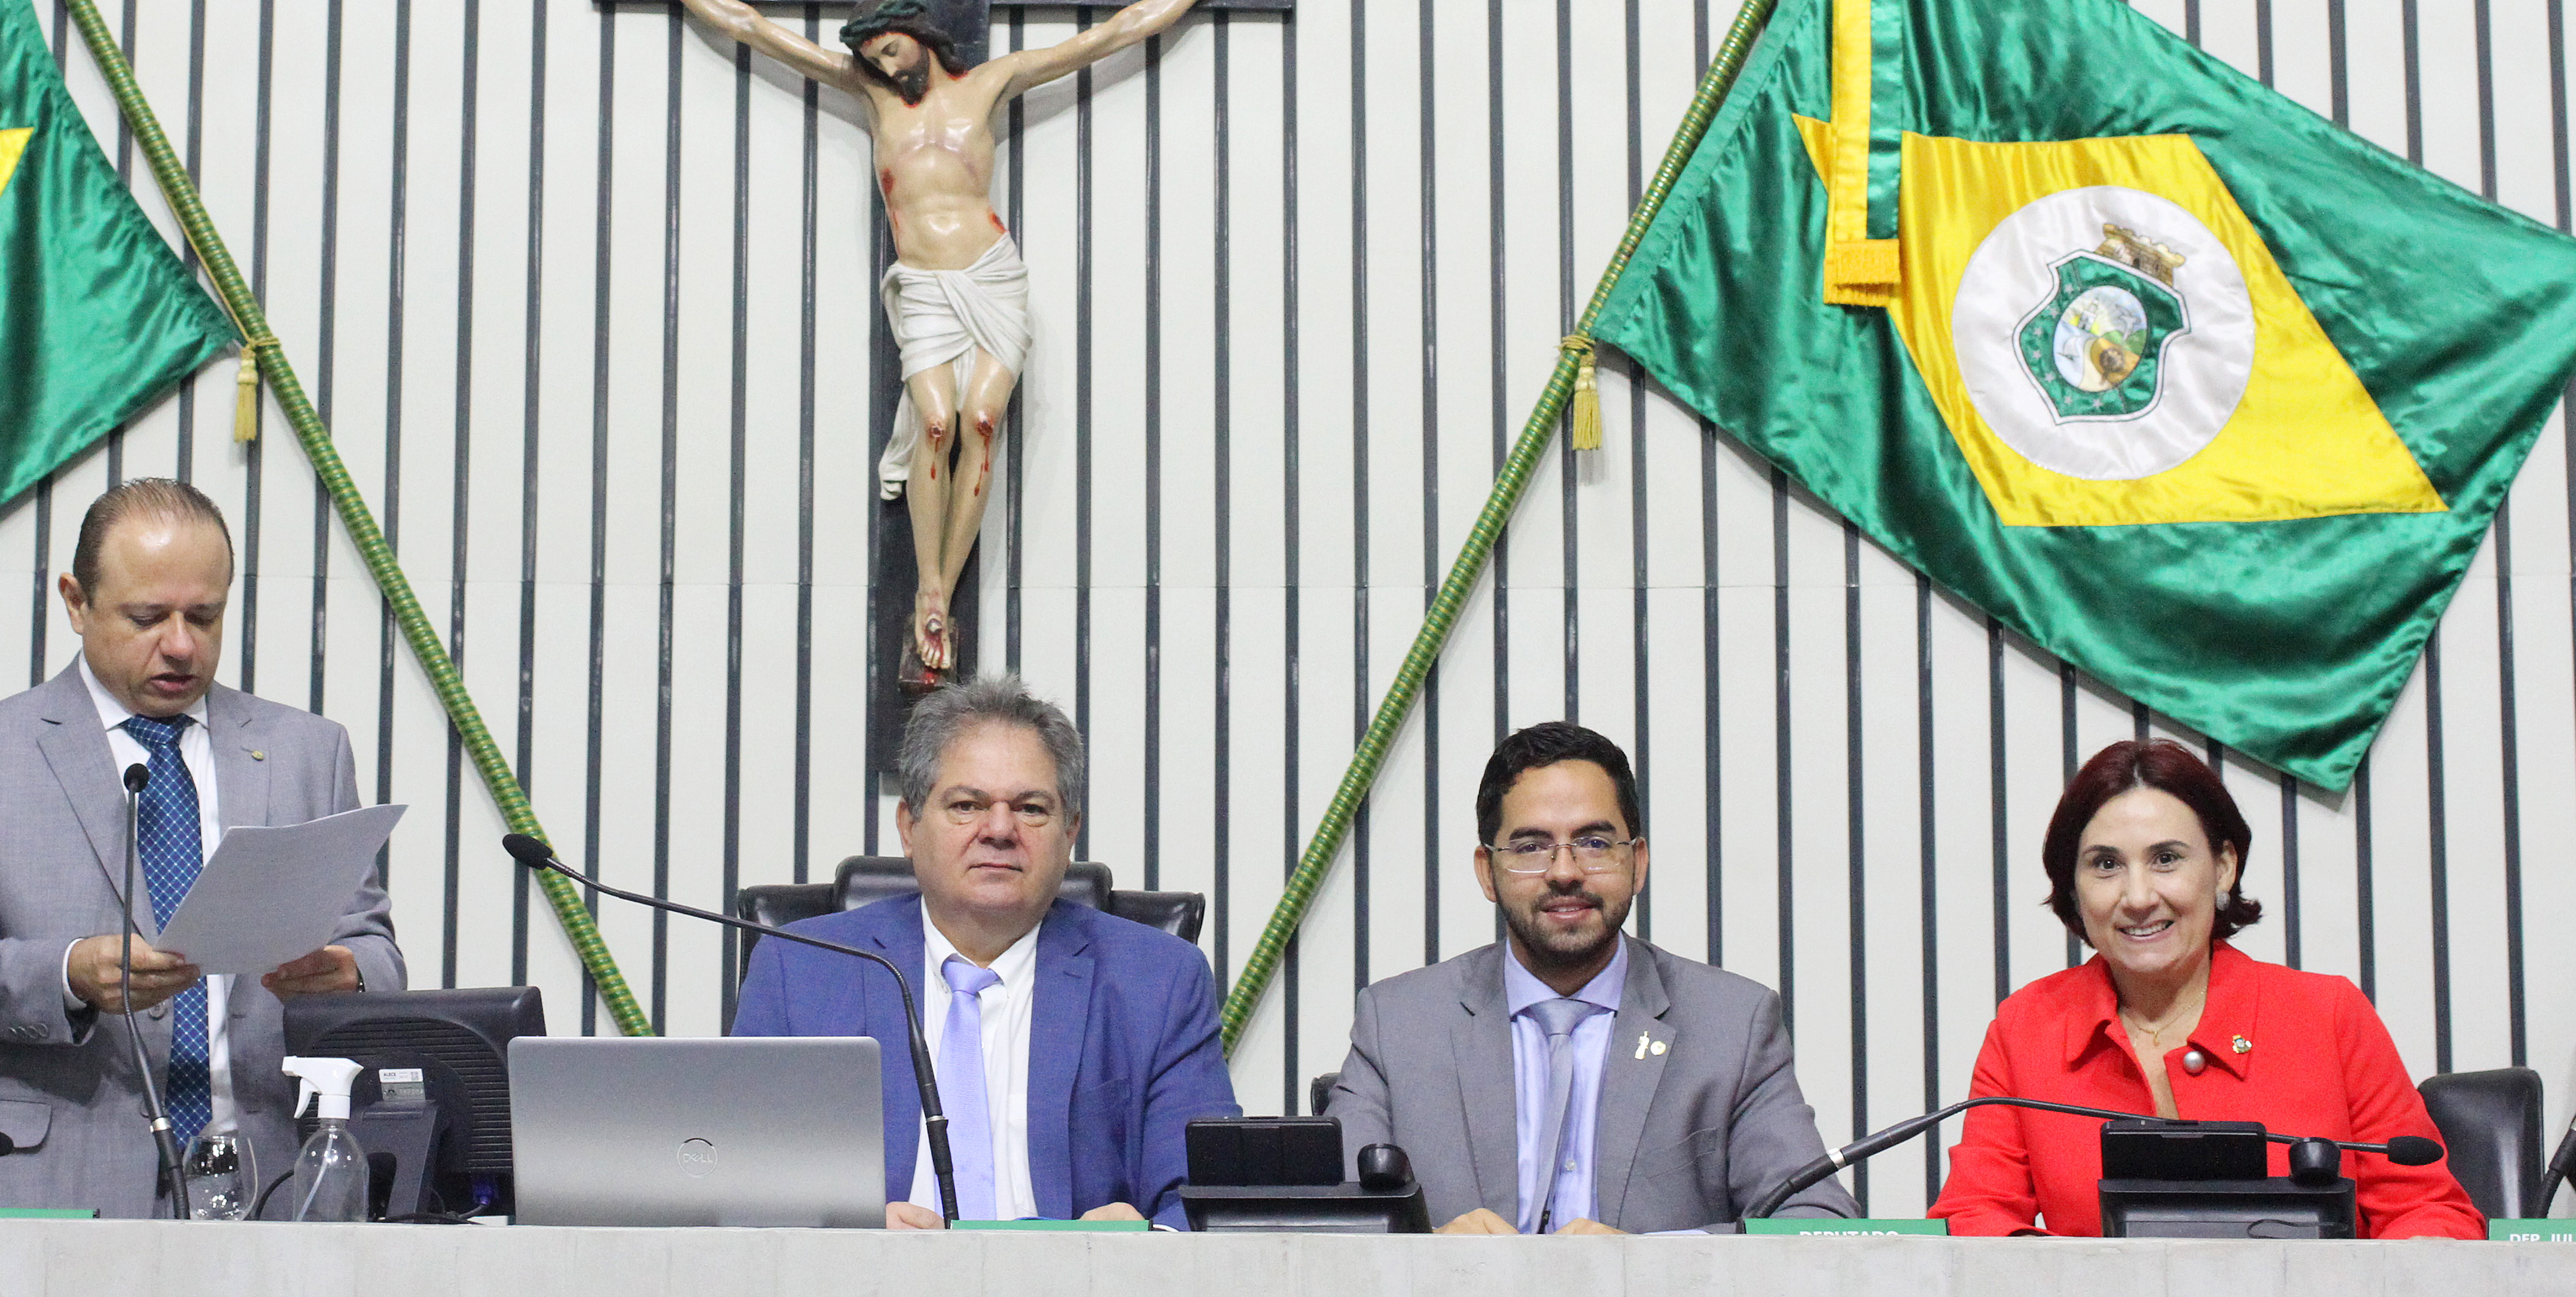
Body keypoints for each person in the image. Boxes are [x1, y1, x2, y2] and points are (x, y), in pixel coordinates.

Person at [609, 0, 1262, 684]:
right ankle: (928, 585)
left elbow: (1112, 35)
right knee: (937, 420)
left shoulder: (991, 84)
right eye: (872, 58)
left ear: (918, 34)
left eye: (890, 49)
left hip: (990, 274)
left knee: (982, 424)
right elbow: (752, 28)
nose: (883, 66)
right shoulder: (872, 96)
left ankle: (937, 604)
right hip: (921, 284)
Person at [0, 479, 403, 1217]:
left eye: (206, 615)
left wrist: (344, 977)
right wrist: (68, 972)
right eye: (147, 617)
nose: (183, 644)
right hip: (48, 1182)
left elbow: (377, 952)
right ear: (75, 601)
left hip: (269, 1183)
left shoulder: (305, 752)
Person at [728, 677, 1237, 1226]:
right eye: (967, 804)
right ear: (909, 827)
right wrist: (850, 1236)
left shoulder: (1159, 982)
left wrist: (1144, 1244)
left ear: (1070, 832)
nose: (999, 829)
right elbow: (740, 1184)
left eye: (1032, 809)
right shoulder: (800, 969)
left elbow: (1205, 1199)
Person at [1929, 738, 2480, 1237]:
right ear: (2073, 888)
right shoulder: (2028, 1027)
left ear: (2222, 868)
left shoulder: (2327, 1015)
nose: (2139, 895)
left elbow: (2431, 1213)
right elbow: (1976, 1213)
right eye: (2106, 865)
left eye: (2166, 859)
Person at [1326, 720, 1859, 1232]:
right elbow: (1329, 1224)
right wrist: (1432, 1252)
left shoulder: (1732, 1026)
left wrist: (1651, 1263)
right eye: (1532, 846)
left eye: (1595, 843)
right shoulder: (1397, 1024)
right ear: (1488, 872)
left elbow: (1816, 1224)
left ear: (1639, 862)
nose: (1565, 872)